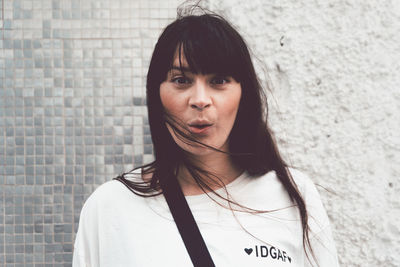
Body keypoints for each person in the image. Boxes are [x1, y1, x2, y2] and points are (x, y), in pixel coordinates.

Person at [72, 7, 339, 267]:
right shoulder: (110, 208)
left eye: (219, 80)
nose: (200, 100)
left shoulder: (291, 195)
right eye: (181, 80)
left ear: (243, 94)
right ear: (157, 94)